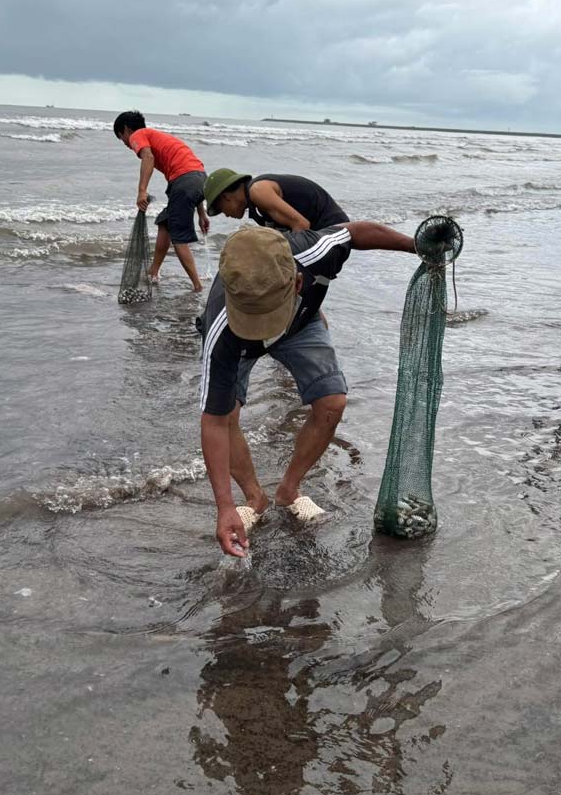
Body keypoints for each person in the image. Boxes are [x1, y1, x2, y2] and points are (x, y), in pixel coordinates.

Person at [199, 222, 418, 557]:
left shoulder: (316, 252)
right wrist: (224, 507)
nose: (263, 329)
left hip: (300, 324)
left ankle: (289, 491)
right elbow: (213, 423)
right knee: (226, 414)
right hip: (236, 337)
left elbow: (356, 233)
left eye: (267, 315)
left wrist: (415, 246)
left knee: (332, 402)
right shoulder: (221, 327)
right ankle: (254, 498)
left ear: (298, 282)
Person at [113, 110, 208, 292]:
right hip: (200, 178)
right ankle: (153, 271)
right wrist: (201, 213)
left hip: (183, 181)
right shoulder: (156, 136)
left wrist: (142, 191)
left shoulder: (138, 135)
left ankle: (197, 286)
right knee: (165, 222)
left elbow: (148, 157)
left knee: (178, 238)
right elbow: (192, 177)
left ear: (126, 130)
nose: (125, 143)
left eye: (121, 137)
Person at [202, 170, 349, 232]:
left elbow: (301, 225)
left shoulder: (258, 191)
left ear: (226, 197)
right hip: (325, 234)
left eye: (221, 209)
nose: (226, 215)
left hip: (333, 231)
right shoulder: (256, 203)